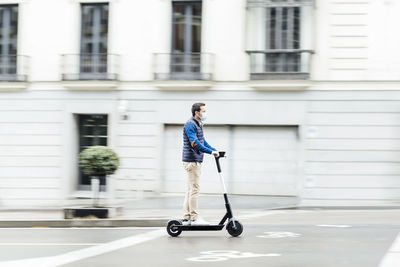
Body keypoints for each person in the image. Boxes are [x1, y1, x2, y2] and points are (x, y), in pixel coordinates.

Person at [182, 103, 219, 225]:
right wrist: (210, 152)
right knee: (194, 190)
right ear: (196, 113)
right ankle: (194, 218)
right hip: (192, 161)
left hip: (194, 160)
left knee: (190, 190)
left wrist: (214, 150)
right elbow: (195, 143)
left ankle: (187, 217)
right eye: (203, 111)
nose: (205, 113)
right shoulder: (190, 124)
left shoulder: (197, 124)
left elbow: (203, 141)